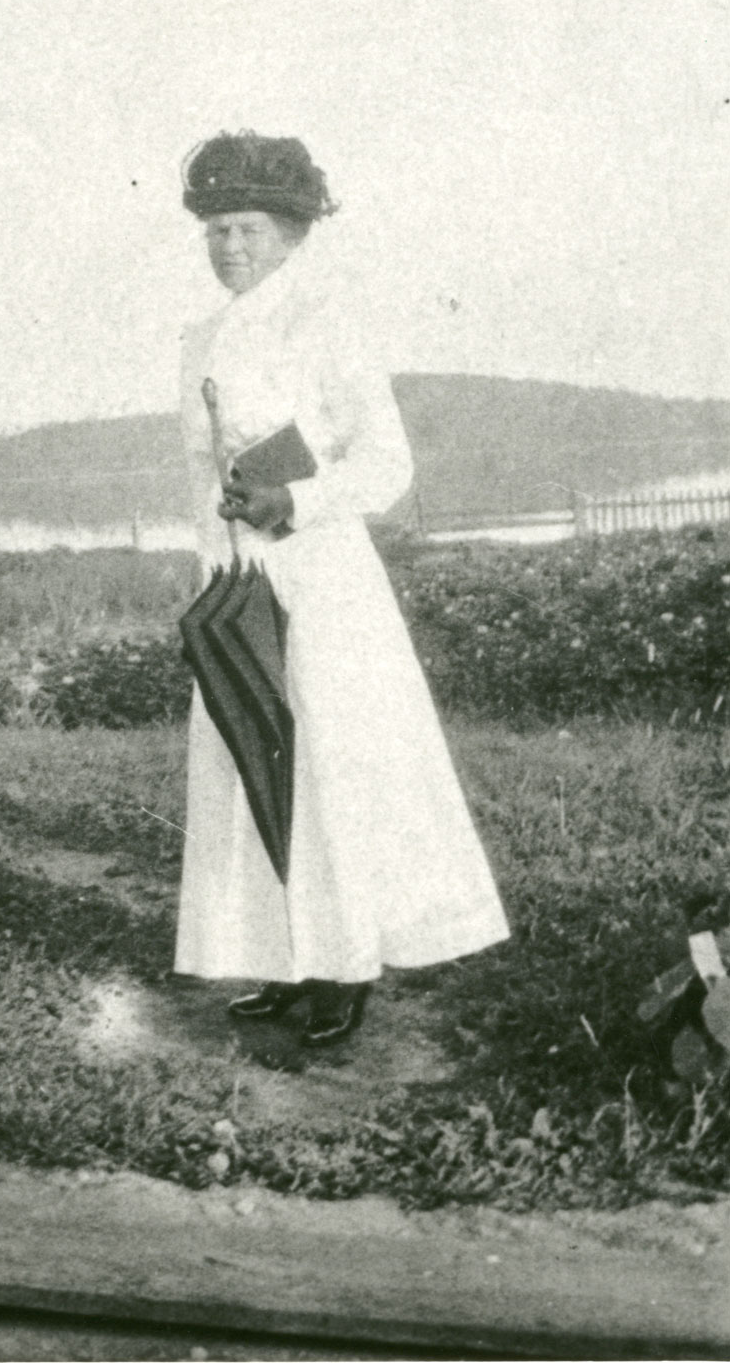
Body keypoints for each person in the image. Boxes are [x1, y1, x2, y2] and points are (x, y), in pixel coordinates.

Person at [175, 131, 509, 1047]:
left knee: (327, 768)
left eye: (245, 228)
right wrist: (216, 557)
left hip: (321, 582)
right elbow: (203, 472)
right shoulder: (199, 336)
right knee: (255, 760)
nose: (228, 247)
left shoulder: (325, 321)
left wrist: (297, 498)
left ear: (289, 233)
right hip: (243, 583)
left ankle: (348, 963)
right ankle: (289, 961)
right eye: (214, 230)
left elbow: (388, 462)